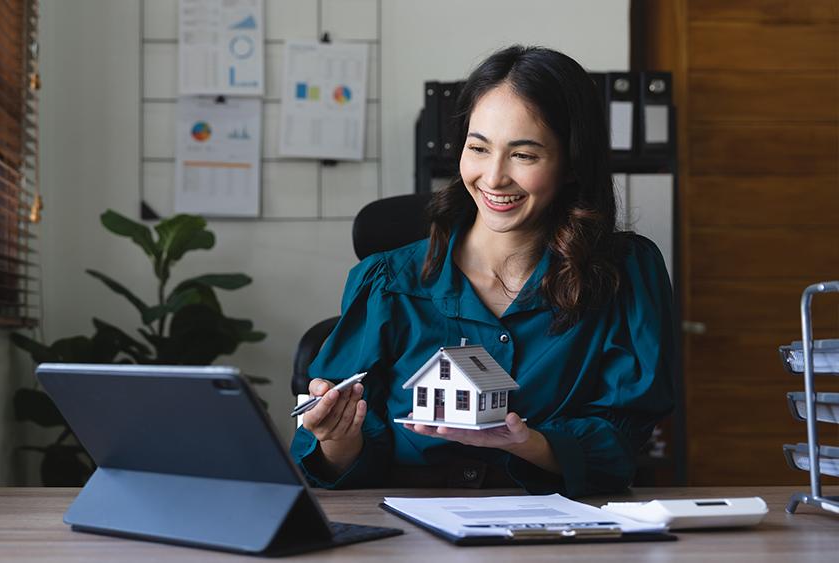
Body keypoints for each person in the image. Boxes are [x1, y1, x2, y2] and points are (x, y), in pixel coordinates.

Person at [289, 45, 675, 498]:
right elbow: (332, 467)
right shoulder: (387, 283)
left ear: (571, 163)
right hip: (407, 530)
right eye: (478, 148)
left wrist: (529, 443)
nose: (493, 177)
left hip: (550, 526)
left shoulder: (625, 275)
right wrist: (340, 438)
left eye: (524, 155)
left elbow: (620, 449)